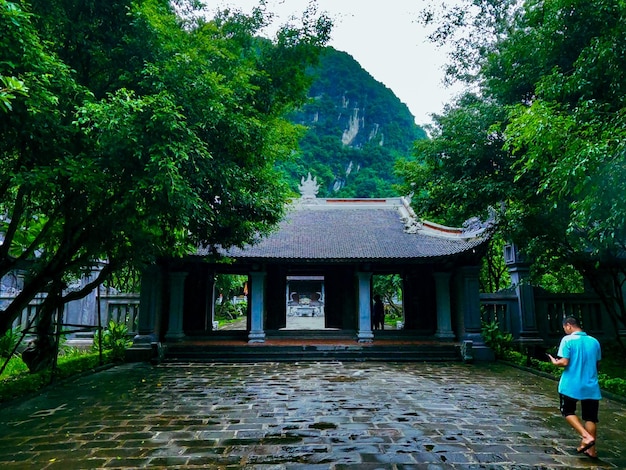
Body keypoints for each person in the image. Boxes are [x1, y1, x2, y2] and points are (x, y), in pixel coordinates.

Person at [547, 316, 601, 459]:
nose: (565, 330)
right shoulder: (594, 341)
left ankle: (585, 437)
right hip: (591, 385)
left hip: (571, 384)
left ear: (569, 326)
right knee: (591, 418)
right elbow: (597, 364)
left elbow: (564, 362)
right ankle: (592, 450)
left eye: (565, 328)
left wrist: (554, 362)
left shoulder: (567, 340)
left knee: (567, 410)